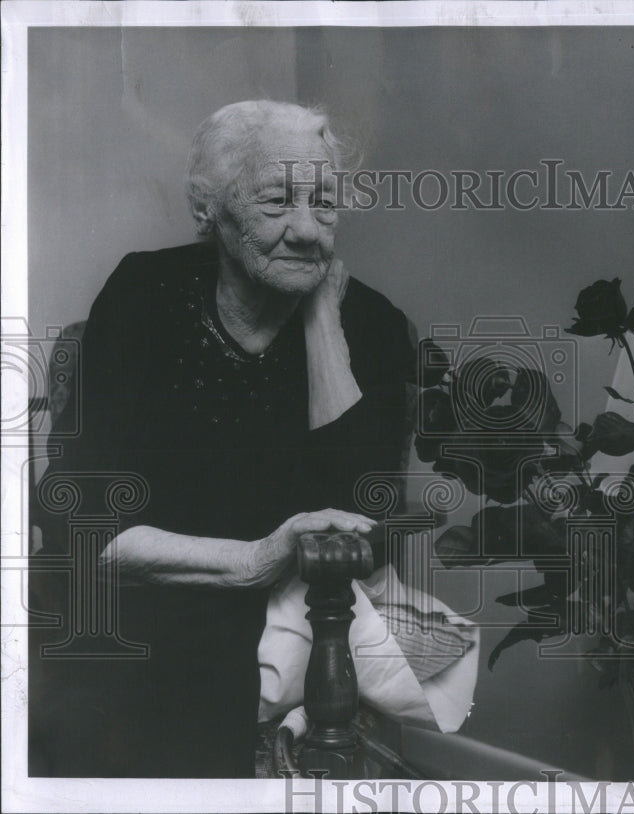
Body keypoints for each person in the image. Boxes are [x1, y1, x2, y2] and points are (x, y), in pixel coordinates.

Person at [29, 100, 418, 778]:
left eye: (325, 204)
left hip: (288, 613)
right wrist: (251, 558)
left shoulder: (373, 324)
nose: (306, 230)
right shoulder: (144, 294)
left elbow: (360, 511)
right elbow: (73, 509)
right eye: (277, 202)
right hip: (135, 593)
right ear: (209, 209)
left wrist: (323, 321)